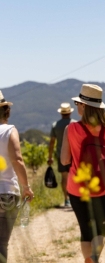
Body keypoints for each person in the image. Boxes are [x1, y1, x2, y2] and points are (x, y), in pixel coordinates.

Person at [61, 84, 105, 263]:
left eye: (78, 103)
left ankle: (88, 260)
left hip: (77, 188)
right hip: (100, 186)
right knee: (100, 231)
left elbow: (64, 160)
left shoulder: (70, 129)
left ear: (84, 106)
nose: (77, 106)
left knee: (85, 231)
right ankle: (94, 259)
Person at [0, 90, 34, 263]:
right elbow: (17, 160)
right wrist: (26, 186)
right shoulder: (9, 131)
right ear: (6, 110)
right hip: (5, 193)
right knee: (1, 244)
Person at [48, 102, 76, 207]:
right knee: (74, 177)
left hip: (61, 154)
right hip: (74, 155)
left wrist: (50, 157)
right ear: (70, 113)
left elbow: (52, 142)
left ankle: (66, 199)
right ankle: (74, 197)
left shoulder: (55, 125)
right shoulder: (75, 124)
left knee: (64, 177)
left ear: (61, 113)